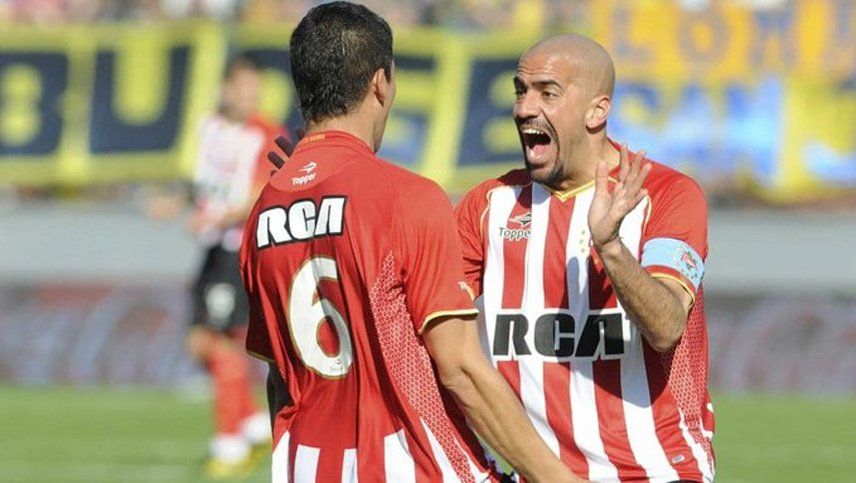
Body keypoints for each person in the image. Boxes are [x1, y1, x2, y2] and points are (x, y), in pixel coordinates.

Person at [240, 3, 581, 482]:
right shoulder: (405, 196)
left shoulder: (262, 212)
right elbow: (460, 369)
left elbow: (282, 378)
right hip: (412, 465)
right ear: (381, 82)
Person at [455, 34, 715, 482]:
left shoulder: (666, 195)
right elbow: (429, 328)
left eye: (547, 93)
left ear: (598, 111)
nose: (524, 108)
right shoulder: (488, 205)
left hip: (655, 470)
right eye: (521, 91)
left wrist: (610, 247)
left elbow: (667, 327)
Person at [161, 54, 287, 478]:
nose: (250, 97)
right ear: (225, 89)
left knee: (221, 343)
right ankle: (253, 424)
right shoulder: (210, 128)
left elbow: (262, 192)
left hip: (238, 248)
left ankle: (229, 444)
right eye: (243, 88)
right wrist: (176, 203)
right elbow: (202, 183)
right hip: (213, 248)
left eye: (256, 90)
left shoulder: (265, 134)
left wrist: (217, 217)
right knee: (199, 343)